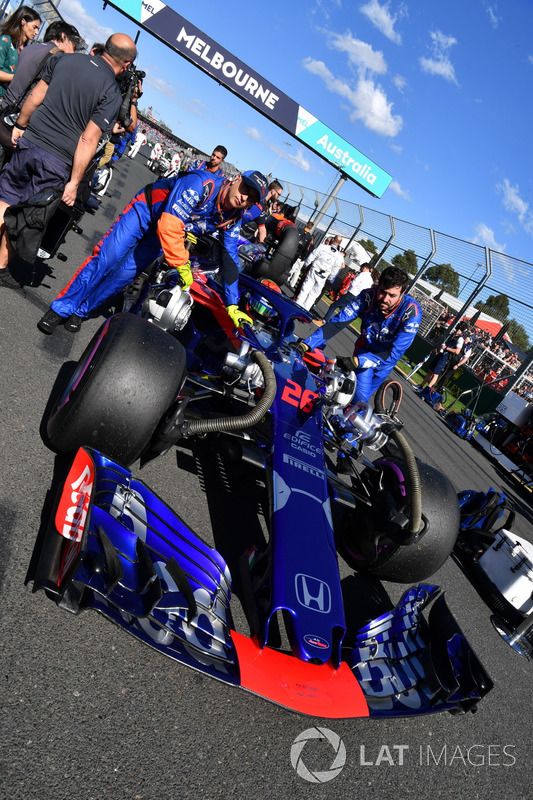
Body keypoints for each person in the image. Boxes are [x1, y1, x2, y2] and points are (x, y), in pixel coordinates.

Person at [37, 169, 269, 334]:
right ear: (235, 179)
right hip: (144, 212)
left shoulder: (233, 218)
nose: (245, 197)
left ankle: (83, 310)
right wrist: (182, 264)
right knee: (107, 259)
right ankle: (61, 308)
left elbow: (229, 259)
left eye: (252, 197)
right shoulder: (201, 183)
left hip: (161, 234)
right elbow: (169, 225)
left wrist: (232, 304)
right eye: (245, 188)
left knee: (124, 275)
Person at [0, 33, 136, 288]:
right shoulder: (111, 92)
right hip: (57, 159)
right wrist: (74, 182)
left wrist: (20, 124)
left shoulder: (65, 60)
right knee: (26, 216)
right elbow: (88, 140)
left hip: (31, 141)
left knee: (6, 199)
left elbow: (36, 96)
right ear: (126, 65)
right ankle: (1, 265)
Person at [295, 266, 422, 404]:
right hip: (365, 350)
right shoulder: (367, 296)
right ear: (377, 286)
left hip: (386, 361)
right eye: (383, 292)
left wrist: (357, 361)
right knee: (359, 401)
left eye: (392, 295)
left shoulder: (411, 312)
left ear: (402, 294)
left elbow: (395, 351)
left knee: (359, 404)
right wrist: (306, 344)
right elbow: (337, 323)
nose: (385, 299)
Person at [0, 5, 42, 99]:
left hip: (7, 100)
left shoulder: (26, 49)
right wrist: (18, 77)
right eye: (35, 27)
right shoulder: (5, 41)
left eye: (38, 29)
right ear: (23, 22)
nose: (37, 32)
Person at [294, 235, 344, 311]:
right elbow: (335, 270)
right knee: (314, 294)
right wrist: (330, 278)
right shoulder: (339, 257)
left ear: (333, 239)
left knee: (306, 288)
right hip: (323, 276)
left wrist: (306, 264)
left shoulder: (322, 247)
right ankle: (305, 309)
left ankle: (297, 305)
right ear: (340, 243)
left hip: (314, 270)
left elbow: (312, 255)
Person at [417, 327, 466, 393]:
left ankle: (426, 390)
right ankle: (421, 386)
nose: (456, 330)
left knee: (436, 373)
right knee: (430, 371)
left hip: (445, 357)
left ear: (461, 331)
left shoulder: (460, 339)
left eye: (458, 329)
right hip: (441, 353)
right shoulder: (452, 335)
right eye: (457, 329)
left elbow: (457, 351)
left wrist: (446, 348)